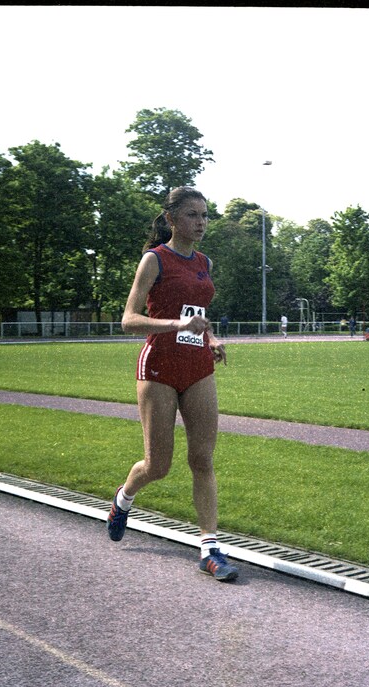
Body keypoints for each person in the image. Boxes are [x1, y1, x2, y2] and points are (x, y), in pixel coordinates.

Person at [106, 186, 239, 582]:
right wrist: (176, 325)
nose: (201, 223)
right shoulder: (154, 260)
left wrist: (210, 339)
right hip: (159, 368)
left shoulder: (205, 262)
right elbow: (129, 320)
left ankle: (210, 547)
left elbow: (197, 314)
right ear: (171, 220)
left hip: (197, 367)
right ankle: (123, 499)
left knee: (202, 458)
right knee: (158, 466)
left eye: (205, 215)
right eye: (193, 215)